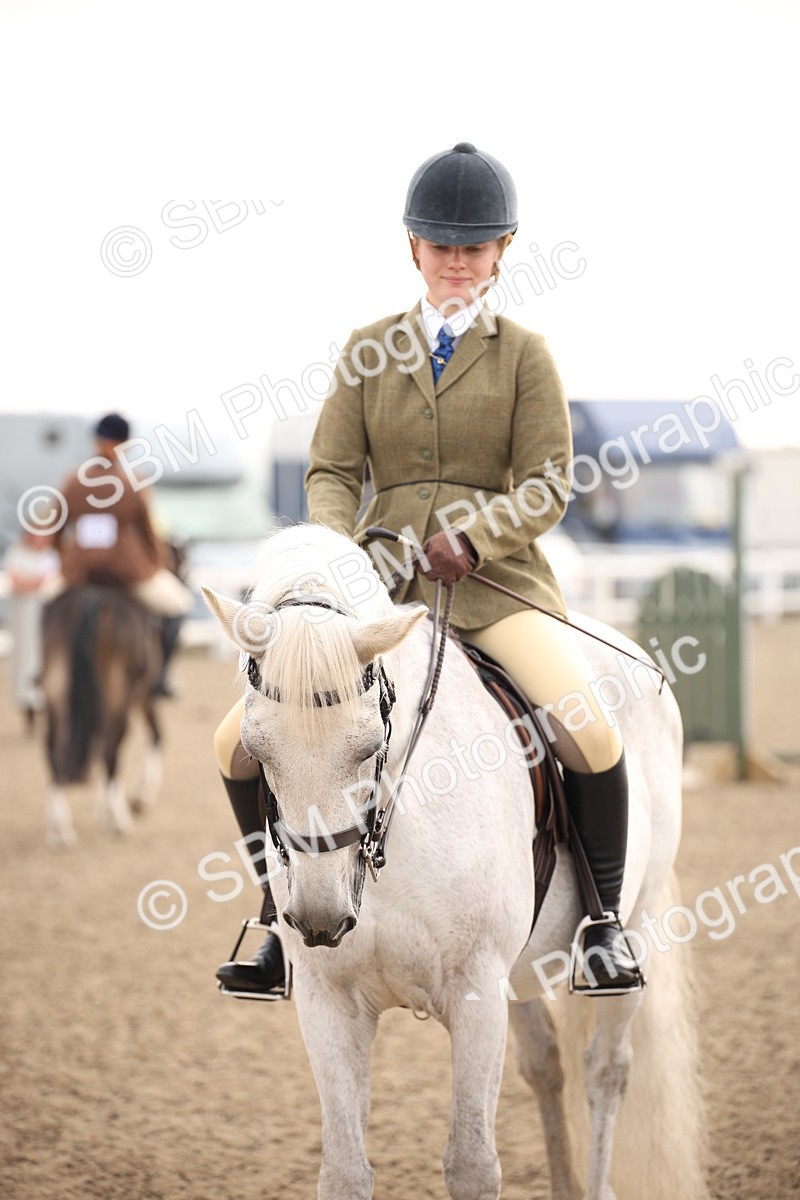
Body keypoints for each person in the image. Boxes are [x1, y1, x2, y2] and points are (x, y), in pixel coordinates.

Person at [214, 142, 639, 995]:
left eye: (473, 247)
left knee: (591, 730)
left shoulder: (525, 354)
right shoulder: (367, 349)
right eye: (441, 245)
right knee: (236, 741)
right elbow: (332, 472)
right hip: (375, 588)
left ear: (503, 250)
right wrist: (335, 558)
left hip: (496, 588)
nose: (456, 261)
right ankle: (271, 921)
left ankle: (602, 924)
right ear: (413, 247)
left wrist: (474, 537)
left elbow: (550, 482)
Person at [48, 413, 194, 622]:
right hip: (126, 568)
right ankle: (159, 654)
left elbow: (55, 529)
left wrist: (66, 558)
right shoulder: (134, 482)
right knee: (179, 603)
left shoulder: (73, 481)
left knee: (45, 604)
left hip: (79, 569)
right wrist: (160, 563)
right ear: (125, 444)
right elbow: (148, 533)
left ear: (95, 441)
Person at [2, 527, 60, 734]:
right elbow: (15, 578)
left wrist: (30, 582)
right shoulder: (17, 552)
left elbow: (47, 580)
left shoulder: (51, 556)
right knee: (23, 665)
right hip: (22, 620)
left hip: (46, 620)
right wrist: (31, 583)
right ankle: (28, 715)